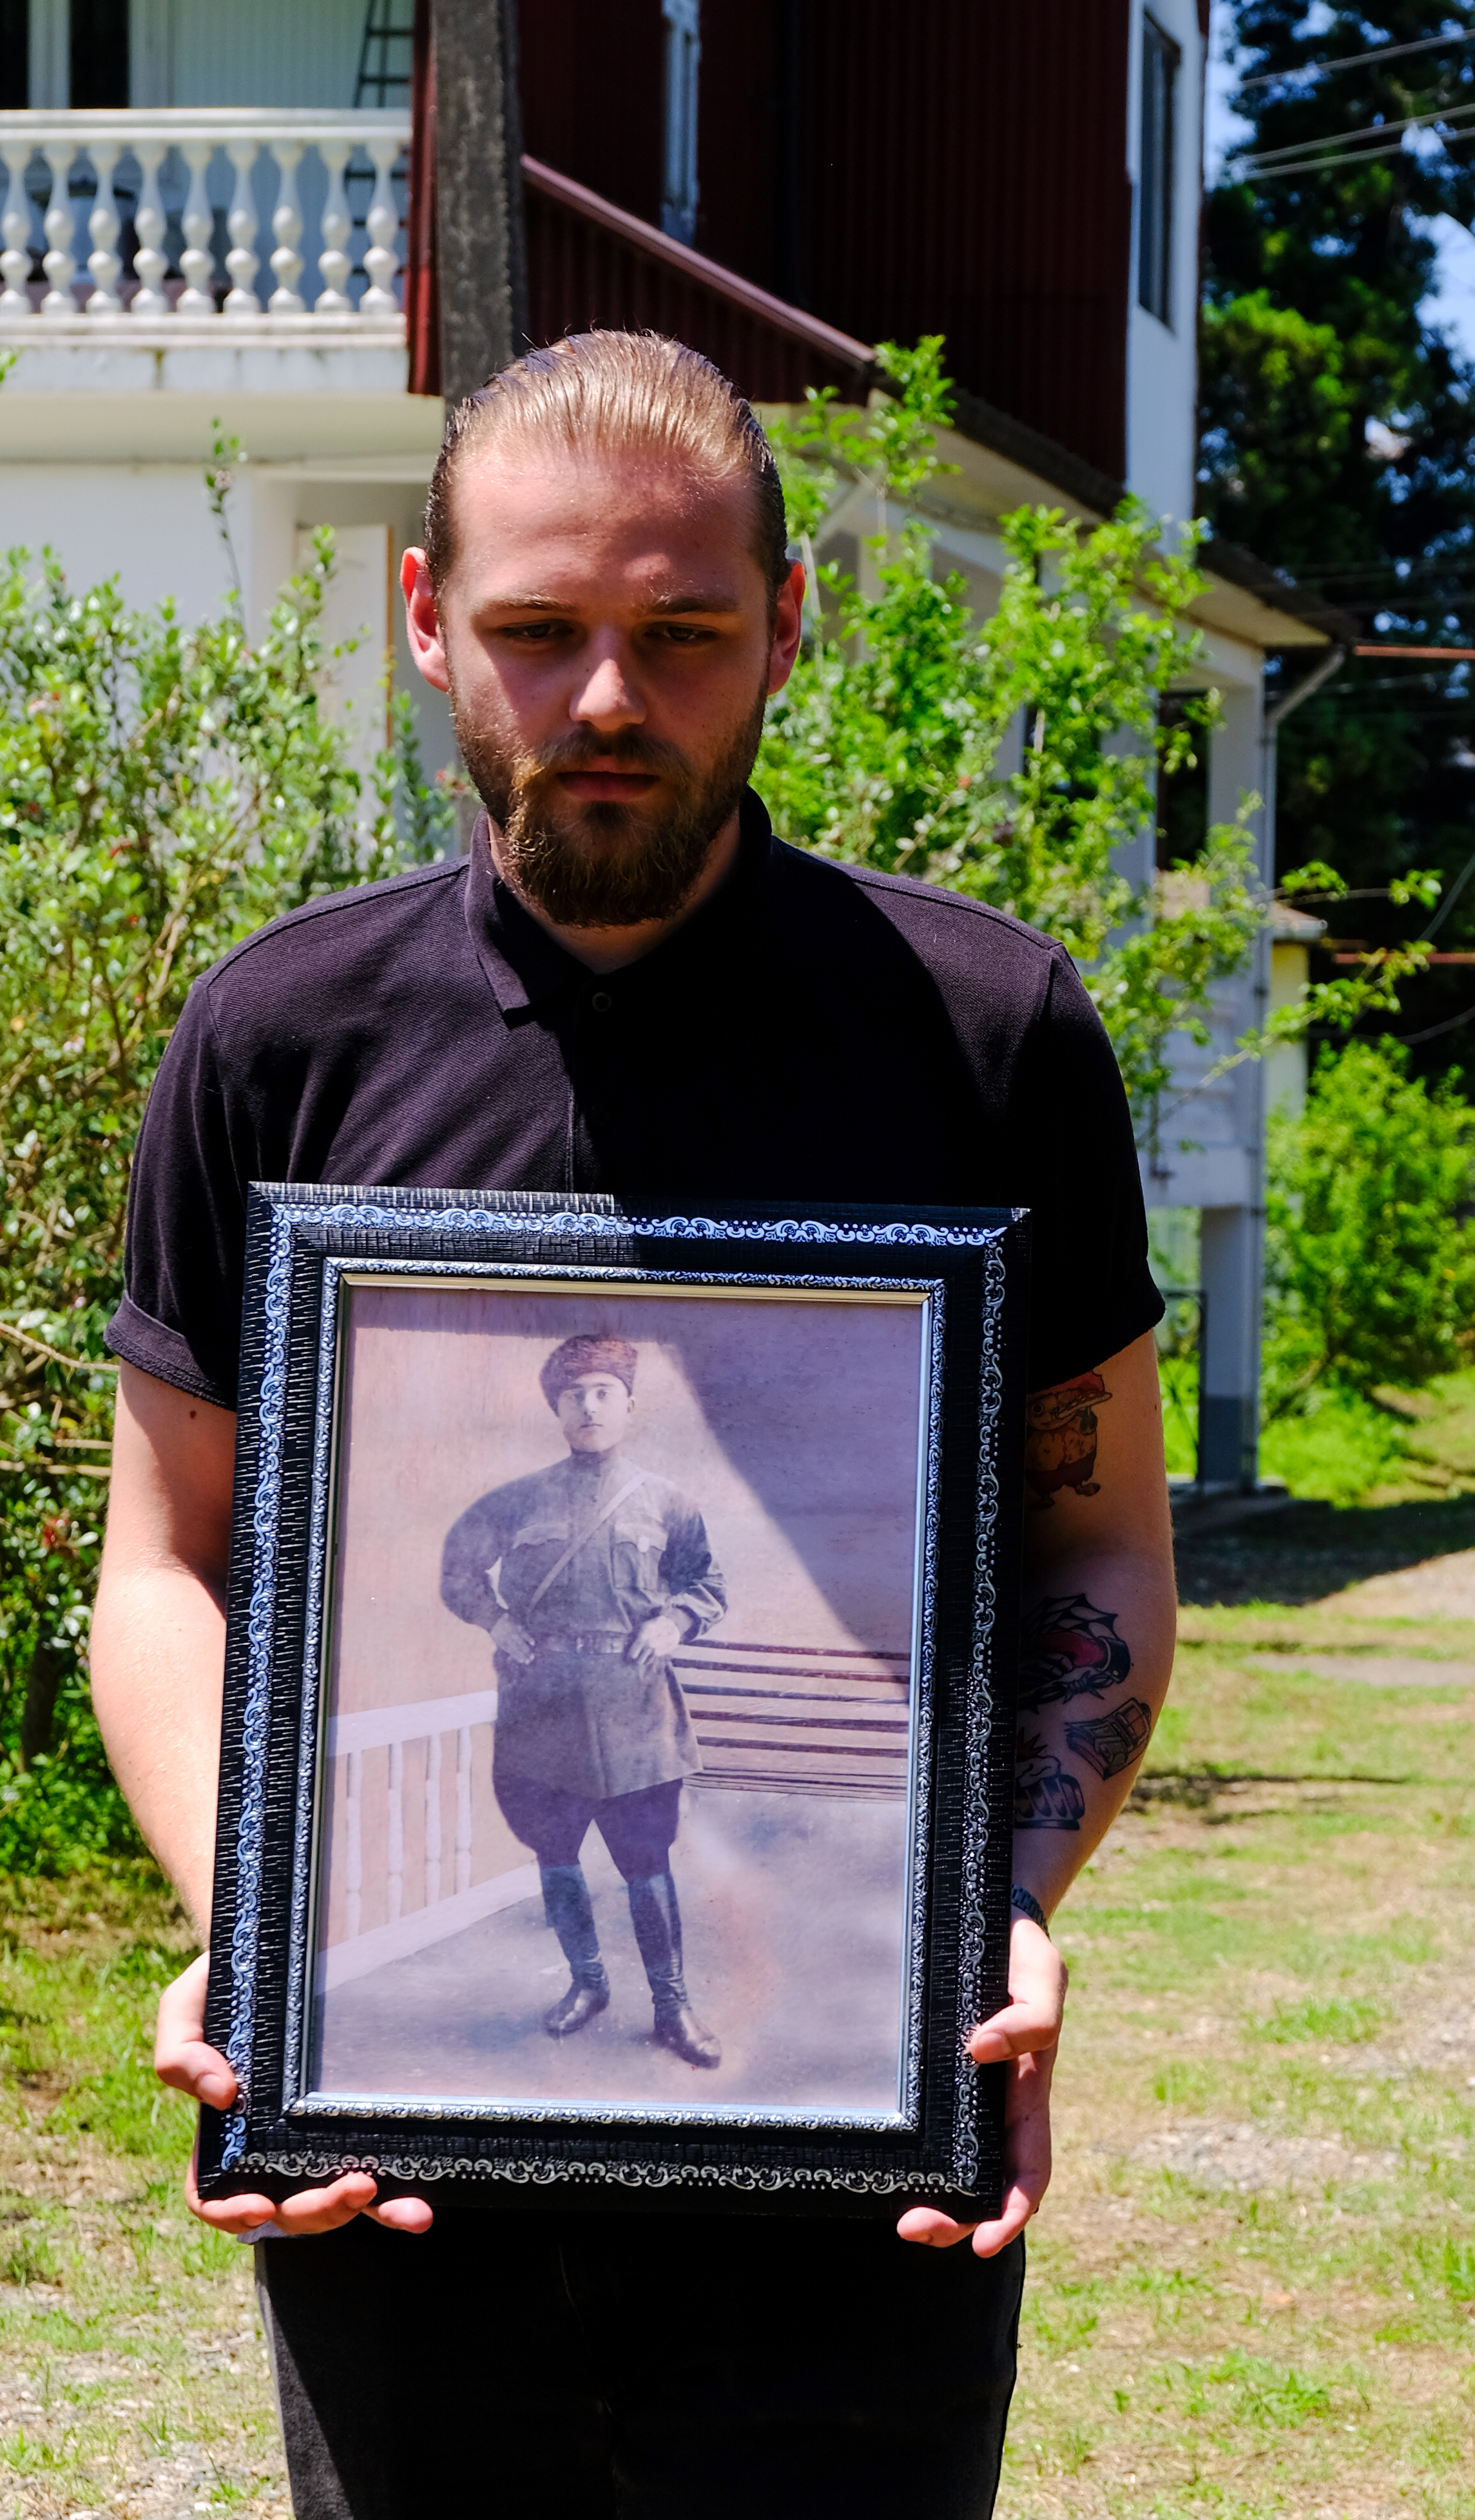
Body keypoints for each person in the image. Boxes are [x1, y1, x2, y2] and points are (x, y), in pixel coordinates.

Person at [88, 327, 1180, 2519]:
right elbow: (166, 1561)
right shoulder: (282, 1036)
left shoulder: (987, 1033)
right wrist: (266, 1926)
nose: (606, 697)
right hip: (401, 2138)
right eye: (537, 630)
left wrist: (1003, 1897)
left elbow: (1098, 1550)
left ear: (784, 626)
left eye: (680, 632)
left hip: (858, 2134)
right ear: (424, 620)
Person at [438, 1331, 730, 2064]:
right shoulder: (520, 1499)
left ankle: (673, 2008)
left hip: (634, 1710)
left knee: (646, 1861)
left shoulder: (668, 1502)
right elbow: (459, 1569)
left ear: (629, 1405)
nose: (589, 1405)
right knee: (557, 1855)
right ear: (558, 1409)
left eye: (604, 1392)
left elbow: (708, 1585)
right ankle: (587, 1983)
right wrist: (498, 1620)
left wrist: (673, 1620)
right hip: (544, 1711)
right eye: (575, 1395)